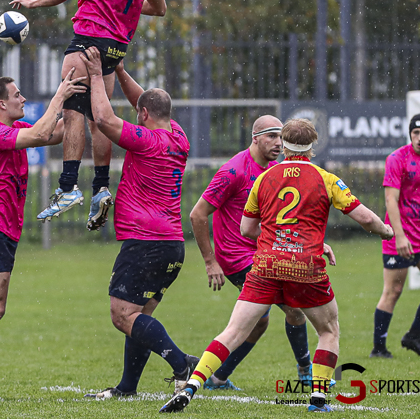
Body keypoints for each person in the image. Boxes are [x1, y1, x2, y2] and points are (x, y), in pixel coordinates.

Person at [160, 118, 394, 414]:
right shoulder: (325, 178)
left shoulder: (264, 178)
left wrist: (279, 239)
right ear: (312, 146)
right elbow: (366, 219)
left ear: (285, 146)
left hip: (266, 266)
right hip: (304, 267)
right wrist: (386, 231)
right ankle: (318, 398)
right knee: (328, 330)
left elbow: (246, 228)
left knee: (232, 331)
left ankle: (192, 386)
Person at [10, 0, 167, 230]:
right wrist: (124, 1)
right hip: (116, 48)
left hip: (88, 40)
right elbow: (159, 8)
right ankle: (101, 187)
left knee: (72, 112)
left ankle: (68, 186)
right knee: (98, 119)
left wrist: (33, 2)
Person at [0, 70, 86, 401]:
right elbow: (41, 132)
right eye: (17, 95)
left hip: (1, 230)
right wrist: (60, 95)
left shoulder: (13, 129)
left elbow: (55, 133)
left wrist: (82, 105)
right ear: (1, 104)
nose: (23, 99)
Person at [78, 48, 198, 399]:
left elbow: (103, 118)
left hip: (146, 242)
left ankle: (182, 363)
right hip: (171, 245)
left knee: (122, 316)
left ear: (143, 115)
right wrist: (120, 70)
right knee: (139, 315)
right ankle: (127, 388)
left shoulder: (147, 141)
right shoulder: (179, 137)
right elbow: (145, 102)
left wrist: (97, 73)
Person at [189, 116, 323, 389]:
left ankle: (217, 378)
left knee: (260, 322)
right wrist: (210, 261)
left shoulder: (275, 170)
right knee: (295, 309)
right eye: (271, 136)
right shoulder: (233, 171)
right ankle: (305, 371)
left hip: (264, 252)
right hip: (237, 257)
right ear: (255, 138)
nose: (278, 143)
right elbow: (197, 214)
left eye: (281, 137)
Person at [371, 113, 420, 358]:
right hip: (398, 237)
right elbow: (390, 199)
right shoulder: (397, 159)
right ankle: (379, 349)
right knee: (393, 291)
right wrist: (399, 236)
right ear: (410, 134)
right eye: (415, 133)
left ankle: (413, 336)